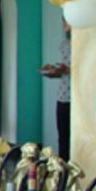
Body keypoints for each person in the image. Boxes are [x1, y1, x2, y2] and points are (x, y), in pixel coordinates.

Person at [39, 20, 71, 159]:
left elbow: (89, 70)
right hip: (63, 96)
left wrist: (67, 70)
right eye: (64, 24)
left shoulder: (86, 44)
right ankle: (62, 169)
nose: (66, 28)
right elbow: (65, 69)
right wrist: (54, 71)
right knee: (63, 139)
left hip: (78, 100)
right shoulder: (64, 44)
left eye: (68, 24)